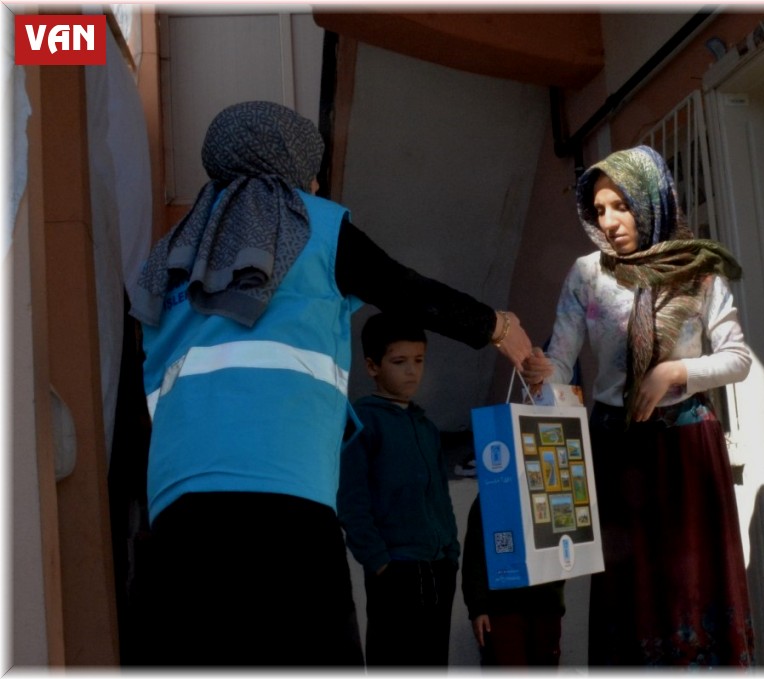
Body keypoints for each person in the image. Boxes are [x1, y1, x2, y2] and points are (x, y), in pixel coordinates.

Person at [129, 100, 534, 666]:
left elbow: (137, 395)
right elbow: (405, 290)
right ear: (293, 168)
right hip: (286, 505)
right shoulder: (313, 226)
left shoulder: (169, 255)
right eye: (311, 168)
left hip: (177, 516)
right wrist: (497, 326)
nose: (316, 183)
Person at [522, 145, 754, 667]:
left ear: (650, 202)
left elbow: (738, 359)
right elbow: (561, 357)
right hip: (618, 454)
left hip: (687, 454)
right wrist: (543, 378)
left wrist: (678, 372)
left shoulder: (697, 270)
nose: (609, 222)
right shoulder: (587, 274)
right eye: (600, 210)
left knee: (693, 587)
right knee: (630, 594)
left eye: (621, 206)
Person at [337, 314, 459, 667]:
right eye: (399, 362)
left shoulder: (426, 426)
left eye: (418, 361)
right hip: (395, 571)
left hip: (438, 568)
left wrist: (450, 552)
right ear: (372, 366)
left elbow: (441, 499)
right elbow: (350, 501)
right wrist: (378, 562)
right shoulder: (362, 421)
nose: (411, 371)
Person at [461, 494, 566, 667]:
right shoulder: (491, 493)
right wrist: (478, 608)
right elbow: (474, 556)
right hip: (503, 607)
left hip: (546, 604)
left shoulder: (551, 494)